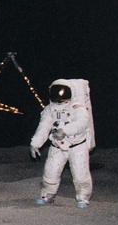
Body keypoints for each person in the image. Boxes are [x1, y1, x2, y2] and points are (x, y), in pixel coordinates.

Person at [31, 78, 95, 208]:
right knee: (50, 172)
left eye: (64, 93)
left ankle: (83, 198)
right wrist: (35, 143)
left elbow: (81, 123)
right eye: (56, 93)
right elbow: (43, 127)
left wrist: (65, 130)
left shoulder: (78, 108)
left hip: (77, 147)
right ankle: (47, 196)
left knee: (80, 174)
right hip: (57, 147)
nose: (60, 98)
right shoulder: (49, 110)